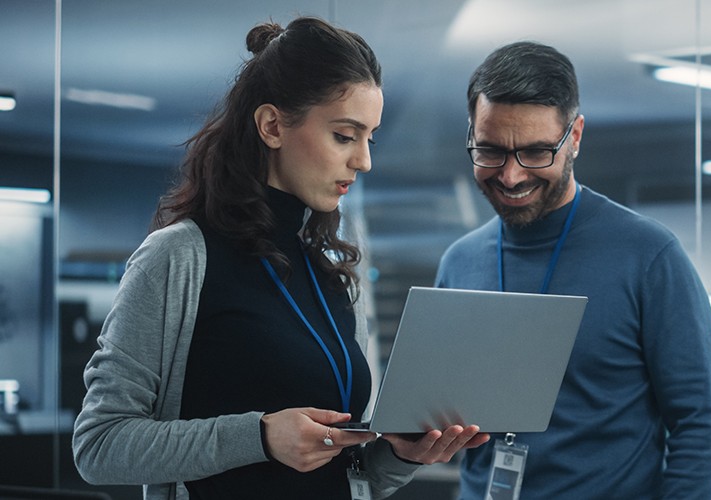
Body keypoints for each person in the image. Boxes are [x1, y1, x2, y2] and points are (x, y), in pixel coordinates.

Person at [72, 16, 488, 500]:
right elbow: (98, 446)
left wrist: (402, 456)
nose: (363, 161)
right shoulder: (179, 257)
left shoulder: (332, 270)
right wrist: (262, 436)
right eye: (344, 135)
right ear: (272, 126)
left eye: (368, 138)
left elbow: (350, 477)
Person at [435, 41, 711, 499]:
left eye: (535, 153)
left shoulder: (649, 257)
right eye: (490, 151)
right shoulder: (459, 263)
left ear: (574, 136)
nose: (511, 176)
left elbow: (700, 425)